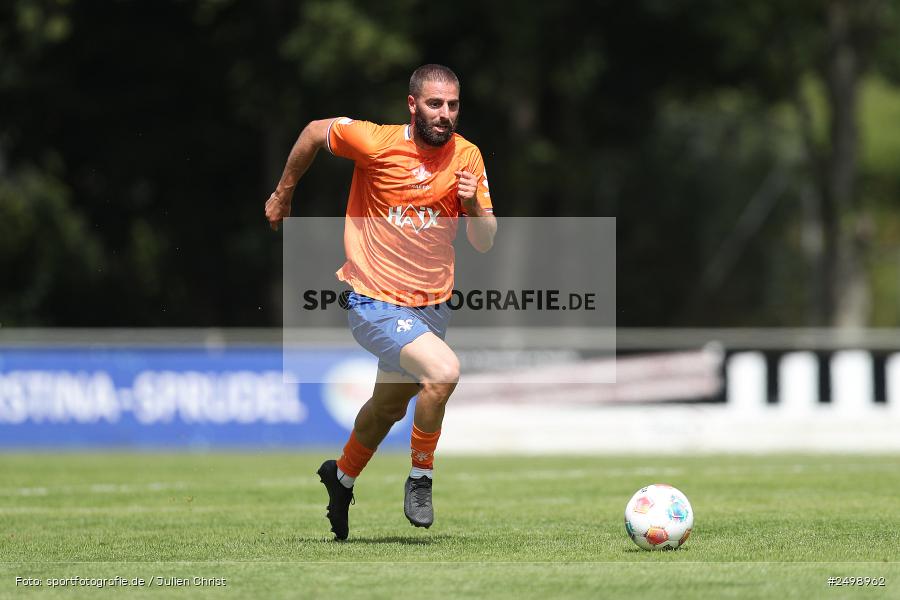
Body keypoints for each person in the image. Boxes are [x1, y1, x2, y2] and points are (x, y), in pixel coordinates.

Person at [265, 64, 496, 540]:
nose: (445, 114)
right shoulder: (375, 142)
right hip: (374, 300)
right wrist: (284, 192)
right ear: (412, 105)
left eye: (452, 105)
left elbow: (485, 241)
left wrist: (474, 207)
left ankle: (341, 477)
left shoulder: (468, 157)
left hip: (432, 306)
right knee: (444, 372)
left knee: (388, 408)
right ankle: (421, 478)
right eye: (435, 104)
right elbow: (313, 132)